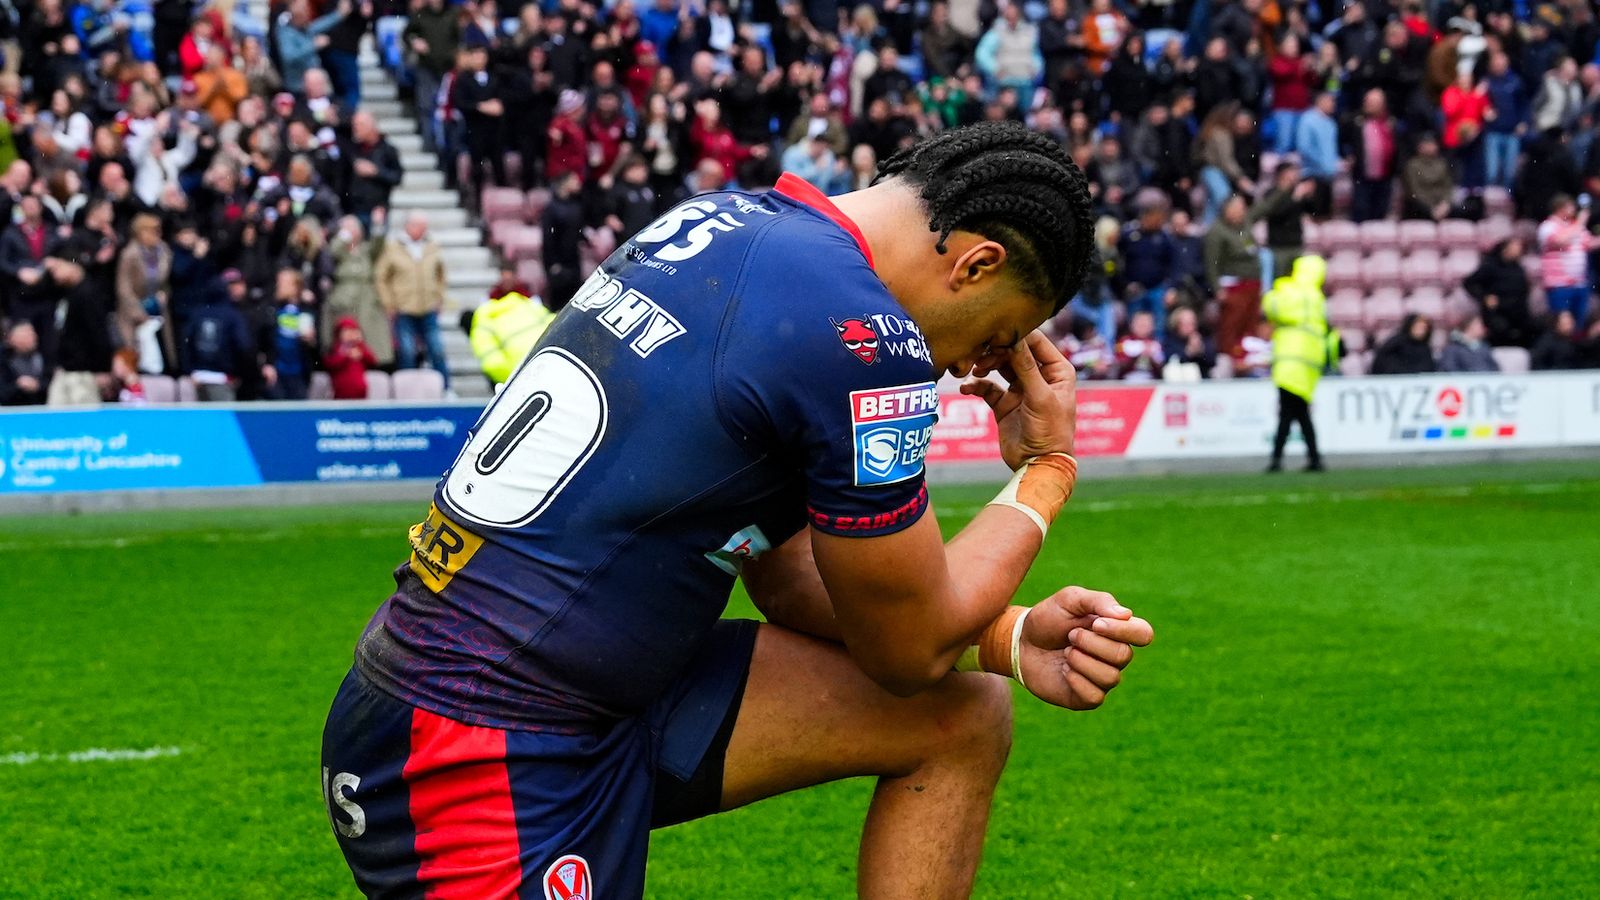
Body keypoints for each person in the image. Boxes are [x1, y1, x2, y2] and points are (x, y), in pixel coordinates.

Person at [321, 122, 1153, 900]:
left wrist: (997, 636)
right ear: (975, 264)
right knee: (925, 682)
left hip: (549, 694)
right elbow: (905, 649)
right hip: (476, 745)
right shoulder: (866, 333)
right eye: (996, 334)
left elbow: (788, 578)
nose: (976, 366)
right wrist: (1049, 466)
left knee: (959, 718)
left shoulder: (723, 220)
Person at [1262, 256, 1335, 472]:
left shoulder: (1286, 290)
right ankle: (1312, 458)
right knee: (1300, 413)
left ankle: (1280, 459)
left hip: (1287, 361)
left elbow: (1270, 308)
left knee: (1290, 413)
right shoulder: (1317, 298)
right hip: (1307, 363)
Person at [375, 210, 451, 392]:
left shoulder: (433, 245)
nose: (423, 230)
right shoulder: (393, 247)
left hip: (428, 307)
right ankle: (406, 391)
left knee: (437, 350)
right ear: (408, 226)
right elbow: (381, 277)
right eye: (419, 226)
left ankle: (446, 389)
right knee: (407, 352)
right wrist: (389, 303)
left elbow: (441, 273)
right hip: (404, 307)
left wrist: (439, 297)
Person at [1203, 194, 1260, 359]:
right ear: (1227, 210)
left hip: (1252, 284)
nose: (1242, 211)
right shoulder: (1216, 231)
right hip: (1233, 285)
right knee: (1231, 325)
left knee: (1250, 324)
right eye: (1238, 208)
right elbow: (1211, 263)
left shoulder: (1245, 225)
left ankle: (1249, 358)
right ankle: (1228, 358)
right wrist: (1217, 288)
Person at [469, 290, 556, 386]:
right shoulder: (528, 305)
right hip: (554, 365)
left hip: (525, 379)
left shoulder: (483, 321)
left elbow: (493, 363)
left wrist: (515, 381)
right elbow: (556, 325)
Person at [1463, 239, 1533, 348]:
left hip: (1517, 314)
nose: (1519, 251)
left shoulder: (1519, 269)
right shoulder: (1490, 266)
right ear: (1505, 249)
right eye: (1516, 247)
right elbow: (1469, 283)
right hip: (1497, 314)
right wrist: (1484, 297)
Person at [1536, 195, 1592, 326]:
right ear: (1560, 208)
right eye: (1570, 206)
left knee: (1579, 323)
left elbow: (1589, 243)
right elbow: (1559, 241)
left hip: (1580, 283)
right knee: (1562, 322)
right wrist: (1581, 222)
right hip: (1559, 284)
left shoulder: (1576, 226)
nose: (1574, 209)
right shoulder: (1548, 226)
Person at [323, 316, 378, 399]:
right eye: (346, 331)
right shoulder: (336, 348)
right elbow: (330, 364)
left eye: (353, 331)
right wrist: (345, 355)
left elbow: (373, 360)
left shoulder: (360, 348)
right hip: (341, 394)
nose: (350, 334)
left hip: (360, 394)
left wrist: (361, 351)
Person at [0, 320, 49, 405]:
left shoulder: (44, 357)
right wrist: (18, 385)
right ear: (12, 338)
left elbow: (52, 382)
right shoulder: (4, 360)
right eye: (27, 335)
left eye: (32, 333)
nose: (34, 337)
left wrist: (38, 385)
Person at [1371, 313, 1437, 375]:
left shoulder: (1425, 348)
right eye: (1418, 327)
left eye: (1423, 328)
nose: (1420, 331)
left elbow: (1428, 369)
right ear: (1410, 326)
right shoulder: (1395, 345)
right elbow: (1382, 364)